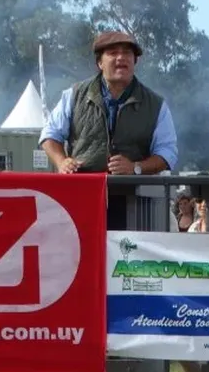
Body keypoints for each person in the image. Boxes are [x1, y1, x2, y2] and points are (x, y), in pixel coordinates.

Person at [38, 31, 179, 229]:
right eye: (113, 53)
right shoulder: (74, 95)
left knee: (131, 258)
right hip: (83, 200)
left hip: (137, 206)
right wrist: (62, 162)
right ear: (99, 63)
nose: (121, 58)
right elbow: (50, 135)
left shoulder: (156, 104)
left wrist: (135, 167)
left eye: (127, 53)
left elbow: (167, 154)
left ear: (135, 61)